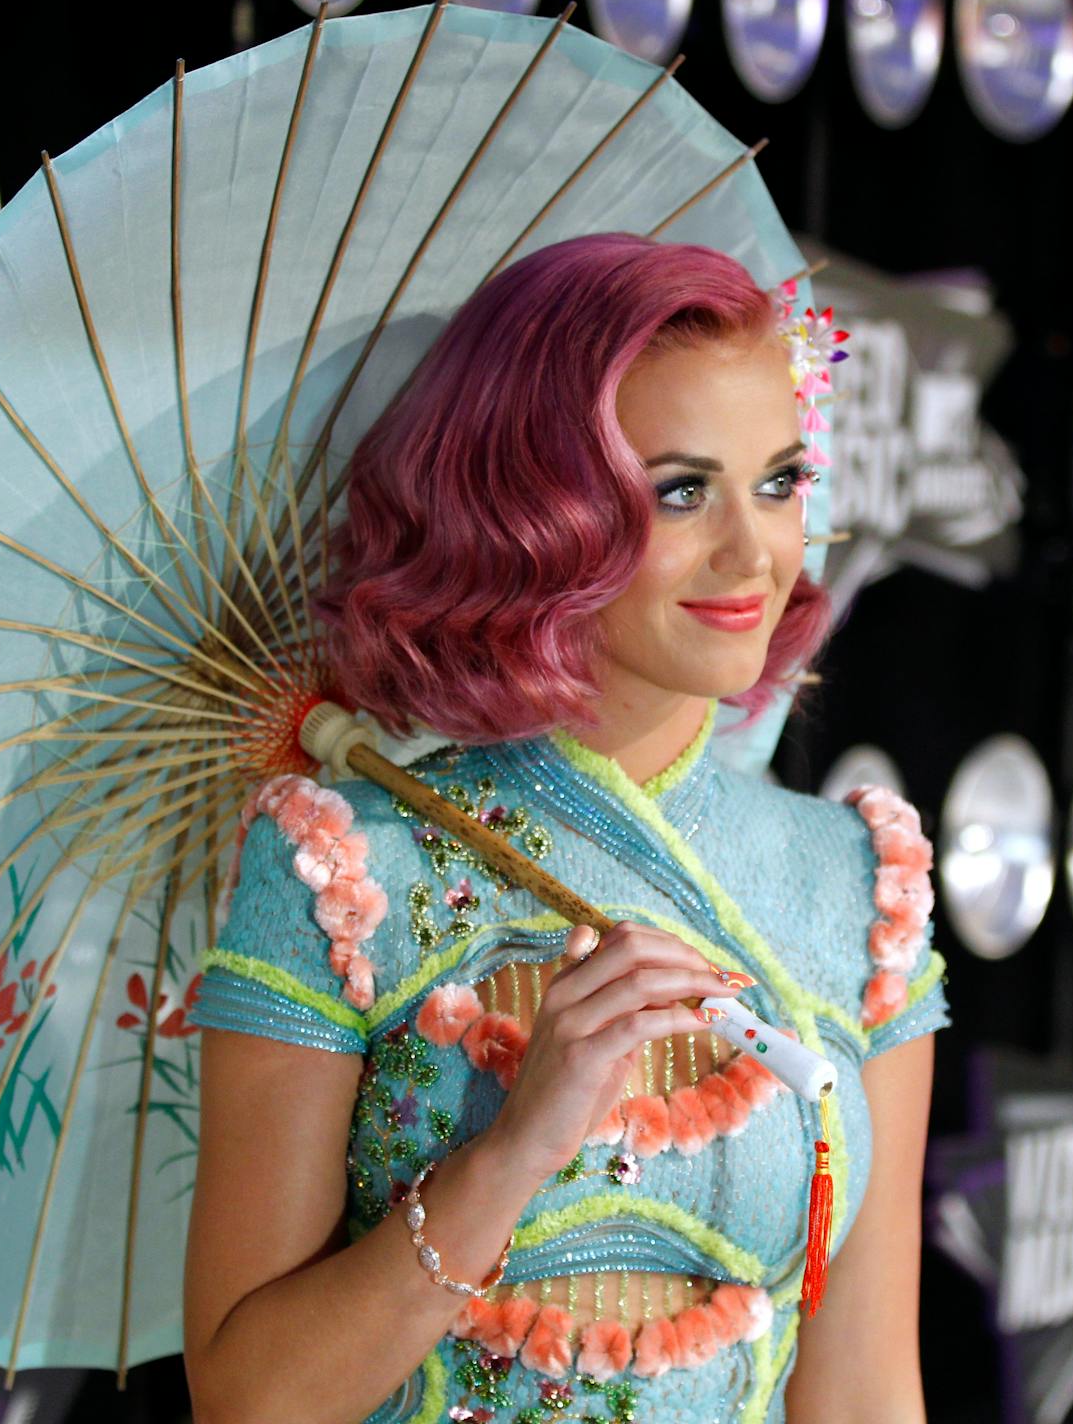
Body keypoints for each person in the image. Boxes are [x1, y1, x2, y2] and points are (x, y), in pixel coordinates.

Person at [179, 232, 950, 1424]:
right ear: (540, 512)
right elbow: (249, 1402)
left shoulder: (853, 884)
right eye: (682, 492)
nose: (753, 551)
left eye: (781, 482)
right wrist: (515, 1147)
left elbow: (861, 1395)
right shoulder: (349, 866)